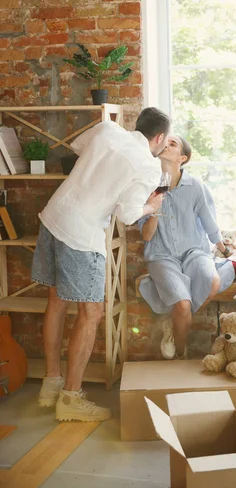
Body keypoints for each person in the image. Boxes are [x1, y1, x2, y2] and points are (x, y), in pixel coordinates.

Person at [32, 107, 170, 422]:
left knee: (55, 301)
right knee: (90, 313)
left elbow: (78, 149)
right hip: (81, 234)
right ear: (159, 137)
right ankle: (71, 397)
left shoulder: (107, 130)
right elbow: (127, 215)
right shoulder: (148, 167)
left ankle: (51, 382)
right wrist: (152, 204)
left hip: (54, 215)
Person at [137, 135, 235, 360]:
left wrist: (226, 249)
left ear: (183, 158)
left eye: (173, 144)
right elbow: (147, 235)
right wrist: (155, 205)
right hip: (161, 255)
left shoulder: (196, 187)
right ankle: (181, 354)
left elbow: (210, 224)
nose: (166, 144)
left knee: (212, 280)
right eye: (166, 141)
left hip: (194, 251)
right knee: (182, 305)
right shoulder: (148, 187)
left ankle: (174, 323)